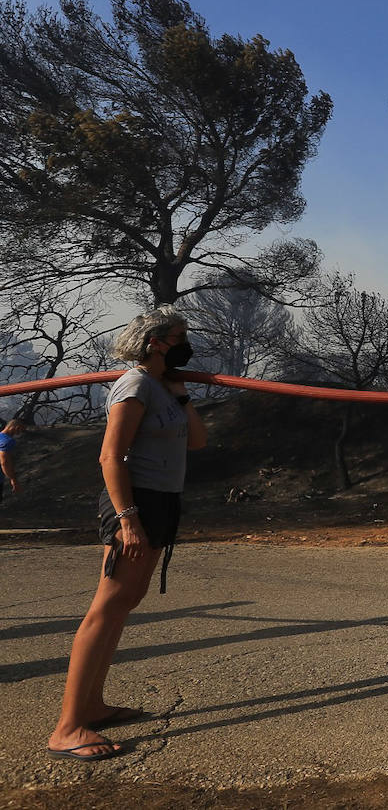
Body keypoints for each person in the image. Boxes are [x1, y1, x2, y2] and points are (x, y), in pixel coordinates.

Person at [46, 306, 207, 761]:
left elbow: (196, 442)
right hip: (135, 502)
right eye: (180, 336)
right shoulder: (134, 384)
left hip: (161, 502)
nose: (186, 342)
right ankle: (68, 727)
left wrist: (181, 394)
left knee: (122, 606)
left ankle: (92, 706)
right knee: (106, 608)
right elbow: (109, 457)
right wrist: (128, 518)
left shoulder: (160, 388)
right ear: (156, 342)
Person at [0, 417, 28, 504]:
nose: (19, 433)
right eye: (20, 430)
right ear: (15, 427)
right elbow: (4, 462)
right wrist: (13, 480)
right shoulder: (8, 441)